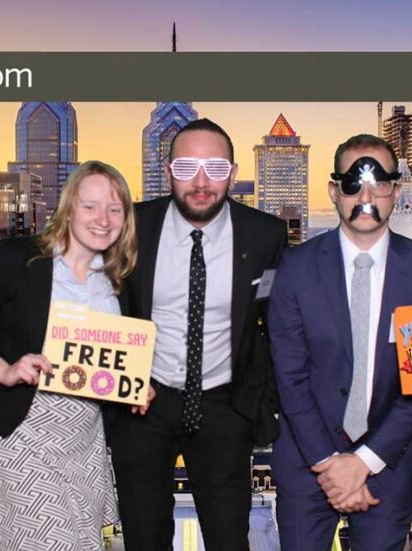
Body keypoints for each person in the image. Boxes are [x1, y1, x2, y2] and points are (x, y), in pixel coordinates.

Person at [108, 118, 288, 551]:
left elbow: (279, 321)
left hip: (225, 405)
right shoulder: (133, 225)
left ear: (234, 171)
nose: (202, 182)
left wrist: (261, 403)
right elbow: (105, 302)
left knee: (229, 537)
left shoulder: (265, 234)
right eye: (188, 167)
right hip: (142, 403)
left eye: (216, 168)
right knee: (143, 535)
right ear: (167, 170)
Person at [268, 134, 412, 551]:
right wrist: (332, 466)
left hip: (389, 467)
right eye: (353, 184)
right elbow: (289, 377)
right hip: (306, 465)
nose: (365, 196)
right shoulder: (295, 267)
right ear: (334, 191)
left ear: (396, 191)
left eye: (379, 183)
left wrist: (364, 462)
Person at [0, 160, 138, 550]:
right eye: (90, 206)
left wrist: (137, 386)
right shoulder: (16, 258)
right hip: (23, 430)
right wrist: (3, 369)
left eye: (114, 208)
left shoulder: (119, 278)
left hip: (85, 435)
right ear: (69, 208)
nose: (102, 219)